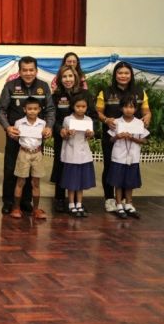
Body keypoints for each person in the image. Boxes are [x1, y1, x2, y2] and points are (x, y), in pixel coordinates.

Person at [0, 56, 55, 215]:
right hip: (15, 137)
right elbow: (1, 110)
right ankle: (9, 202)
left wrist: (49, 127)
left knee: (32, 173)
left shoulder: (43, 87)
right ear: (19, 71)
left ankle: (26, 201)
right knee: (11, 169)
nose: (28, 73)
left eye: (31, 70)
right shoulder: (10, 86)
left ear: (36, 70)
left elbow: (50, 110)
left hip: (35, 139)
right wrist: (7, 128)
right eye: (25, 70)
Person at [95, 61, 151, 213]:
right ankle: (109, 199)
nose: (123, 76)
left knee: (128, 167)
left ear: (131, 75)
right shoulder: (106, 92)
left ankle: (126, 200)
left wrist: (147, 116)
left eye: (126, 73)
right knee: (110, 167)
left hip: (132, 139)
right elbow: (98, 112)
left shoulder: (140, 92)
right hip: (112, 137)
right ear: (115, 75)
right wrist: (106, 120)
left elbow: (146, 111)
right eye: (120, 73)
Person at [51, 65, 97, 213]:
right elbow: (53, 117)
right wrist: (61, 129)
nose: (68, 79)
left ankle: (78, 201)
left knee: (78, 169)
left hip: (81, 139)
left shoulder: (85, 93)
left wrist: (92, 131)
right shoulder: (56, 96)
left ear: (76, 77)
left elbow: (93, 116)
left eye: (70, 76)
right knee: (61, 167)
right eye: (64, 76)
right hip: (62, 137)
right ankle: (60, 199)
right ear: (60, 79)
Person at [106, 95, 148, 219]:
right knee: (118, 182)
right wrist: (117, 137)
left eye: (131, 107)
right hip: (119, 156)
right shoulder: (116, 122)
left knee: (130, 182)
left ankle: (128, 204)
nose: (128, 110)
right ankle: (119, 205)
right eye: (126, 107)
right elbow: (111, 139)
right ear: (121, 108)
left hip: (132, 157)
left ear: (135, 109)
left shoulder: (139, 123)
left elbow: (143, 140)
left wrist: (133, 138)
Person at [9, 97, 47, 220]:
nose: (32, 111)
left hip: (37, 153)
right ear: (24, 109)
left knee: (36, 182)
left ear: (39, 109)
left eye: (35, 109)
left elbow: (44, 138)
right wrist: (14, 135)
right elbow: (16, 138)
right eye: (29, 109)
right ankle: (16, 208)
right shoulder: (19, 123)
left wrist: (46, 135)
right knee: (20, 181)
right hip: (24, 152)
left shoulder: (42, 123)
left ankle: (35, 209)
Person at [59, 92, 97, 217]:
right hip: (71, 153)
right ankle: (71, 204)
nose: (81, 109)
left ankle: (79, 204)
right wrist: (68, 133)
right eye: (78, 106)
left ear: (87, 107)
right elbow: (64, 135)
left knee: (80, 181)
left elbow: (89, 137)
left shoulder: (88, 120)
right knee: (71, 182)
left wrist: (90, 134)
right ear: (73, 106)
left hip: (83, 154)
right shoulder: (67, 119)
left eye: (83, 106)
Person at [5, 52, 88, 90]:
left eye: (74, 61)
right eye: (69, 61)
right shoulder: (57, 78)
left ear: (36, 71)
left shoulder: (81, 79)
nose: (72, 64)